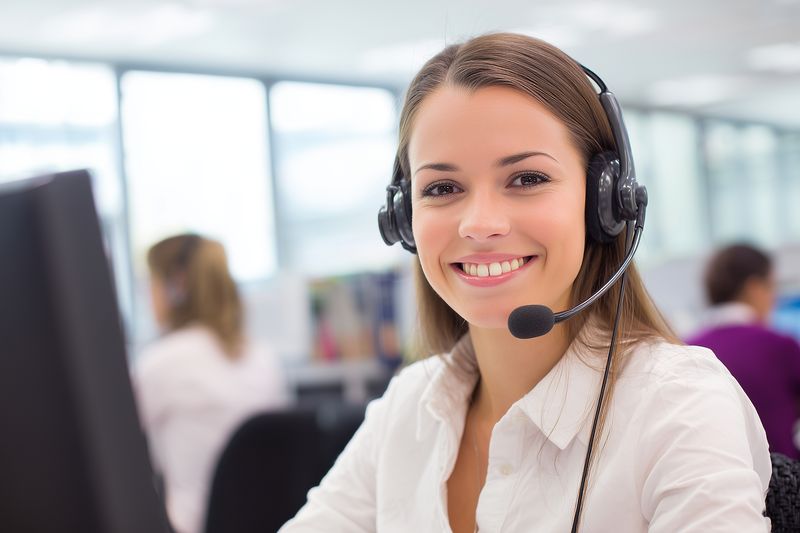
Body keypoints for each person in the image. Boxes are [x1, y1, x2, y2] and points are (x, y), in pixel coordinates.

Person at [280, 33, 771, 532]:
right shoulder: (409, 409)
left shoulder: (678, 405)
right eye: (442, 188)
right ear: (404, 219)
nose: (480, 223)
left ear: (605, 202)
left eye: (527, 179)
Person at [133, 233, 289, 533]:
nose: (147, 294)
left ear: (175, 285)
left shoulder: (160, 363)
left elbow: (116, 455)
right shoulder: (264, 359)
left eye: (150, 282)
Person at [687, 243, 800, 459]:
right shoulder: (780, 347)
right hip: (780, 484)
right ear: (755, 288)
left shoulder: (686, 350)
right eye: (772, 287)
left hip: (715, 481)